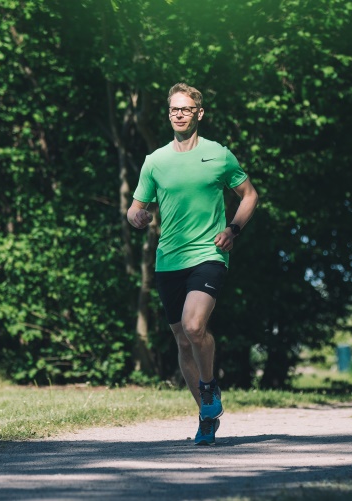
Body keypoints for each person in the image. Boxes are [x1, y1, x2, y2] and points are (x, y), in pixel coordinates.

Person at [127, 83, 259, 445]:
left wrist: (233, 229)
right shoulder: (155, 161)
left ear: (199, 113)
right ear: (169, 114)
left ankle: (208, 387)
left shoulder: (219, 156)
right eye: (173, 109)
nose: (179, 114)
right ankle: (205, 414)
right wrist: (136, 217)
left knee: (193, 325)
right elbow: (136, 208)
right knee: (183, 343)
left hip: (209, 254)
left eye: (185, 109)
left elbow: (250, 196)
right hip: (169, 259)